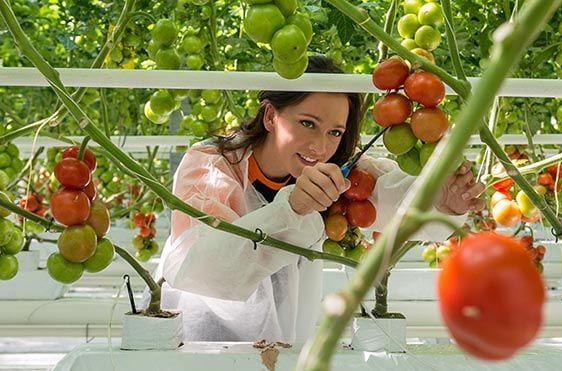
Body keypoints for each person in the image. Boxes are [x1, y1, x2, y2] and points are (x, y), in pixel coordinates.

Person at [155, 55, 485, 344]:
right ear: (270, 116)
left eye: (335, 132)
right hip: (202, 340)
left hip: (284, 346)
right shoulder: (210, 165)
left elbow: (390, 199)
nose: (320, 146)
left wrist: (441, 201)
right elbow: (204, 270)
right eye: (308, 124)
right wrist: (291, 209)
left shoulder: (337, 173)